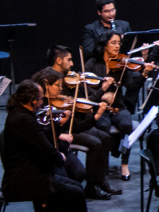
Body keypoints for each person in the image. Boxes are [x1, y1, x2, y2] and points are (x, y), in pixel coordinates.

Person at [2, 80, 104, 212]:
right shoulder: (24, 120)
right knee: (75, 193)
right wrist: (60, 157)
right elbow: (45, 148)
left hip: (30, 172)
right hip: (24, 178)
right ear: (33, 100)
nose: (43, 102)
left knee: (75, 188)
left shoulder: (20, 114)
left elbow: (41, 138)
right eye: (41, 98)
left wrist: (57, 125)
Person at [31, 67, 117, 200]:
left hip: (62, 146)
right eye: (57, 86)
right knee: (73, 175)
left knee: (79, 174)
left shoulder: (61, 104)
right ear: (47, 85)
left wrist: (96, 116)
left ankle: (90, 185)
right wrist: (59, 133)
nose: (61, 90)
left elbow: (76, 127)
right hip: (49, 150)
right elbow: (38, 132)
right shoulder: (38, 105)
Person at [85, 31, 144, 189]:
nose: (118, 46)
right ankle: (103, 169)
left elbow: (131, 87)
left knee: (126, 125)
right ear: (104, 44)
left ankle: (124, 163)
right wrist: (103, 95)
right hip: (100, 108)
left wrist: (144, 74)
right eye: (114, 43)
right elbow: (86, 91)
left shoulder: (122, 64)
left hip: (119, 106)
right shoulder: (92, 64)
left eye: (119, 43)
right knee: (103, 128)